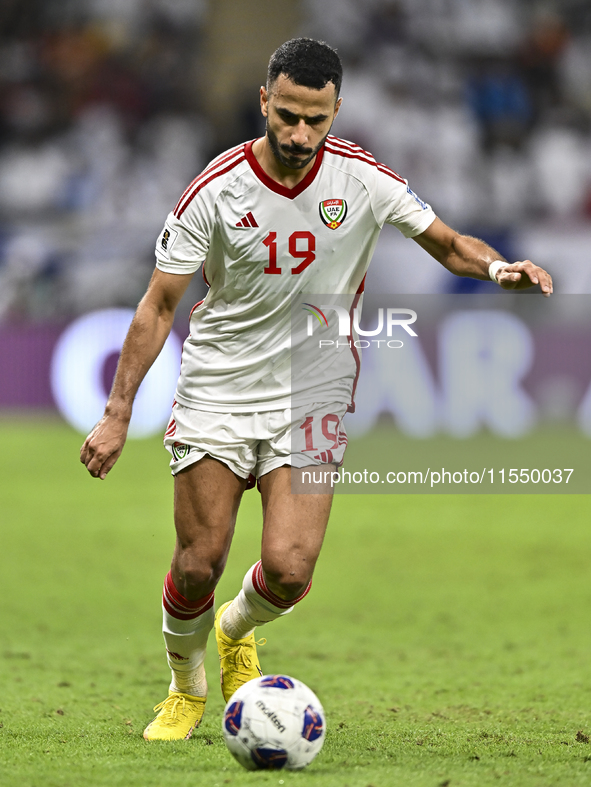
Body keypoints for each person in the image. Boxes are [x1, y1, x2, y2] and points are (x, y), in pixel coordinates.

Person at [80, 38, 553, 741]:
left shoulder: (363, 179)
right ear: (265, 101)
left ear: (336, 111)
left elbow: (449, 243)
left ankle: (236, 631)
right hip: (219, 385)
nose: (300, 134)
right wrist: (116, 415)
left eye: (316, 120)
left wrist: (497, 269)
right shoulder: (215, 188)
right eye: (289, 116)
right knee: (198, 559)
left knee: (289, 570)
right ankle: (185, 687)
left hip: (312, 390)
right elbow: (156, 306)